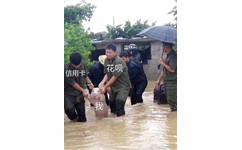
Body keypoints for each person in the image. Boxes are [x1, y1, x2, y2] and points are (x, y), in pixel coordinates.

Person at [99, 44, 131, 117]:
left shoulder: (119, 61)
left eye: (110, 52)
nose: (108, 54)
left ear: (115, 52)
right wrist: (102, 82)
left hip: (123, 87)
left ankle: (121, 124)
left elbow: (115, 76)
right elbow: (107, 74)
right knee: (112, 107)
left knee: (119, 104)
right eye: (106, 52)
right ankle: (114, 125)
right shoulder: (106, 60)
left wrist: (105, 87)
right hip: (113, 87)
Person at [64, 52, 94, 122]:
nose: (77, 67)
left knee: (82, 119)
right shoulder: (65, 69)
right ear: (71, 62)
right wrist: (83, 90)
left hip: (79, 93)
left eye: (78, 65)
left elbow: (85, 75)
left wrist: (89, 83)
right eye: (74, 66)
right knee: (70, 112)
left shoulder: (82, 64)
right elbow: (73, 83)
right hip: (68, 93)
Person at [156, 42, 177, 111]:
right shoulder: (168, 56)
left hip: (172, 82)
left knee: (172, 100)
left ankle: (174, 114)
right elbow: (164, 70)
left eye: (163, 46)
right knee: (169, 99)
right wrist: (159, 80)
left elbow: (172, 69)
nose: (163, 48)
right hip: (167, 81)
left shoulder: (173, 56)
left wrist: (163, 63)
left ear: (167, 47)